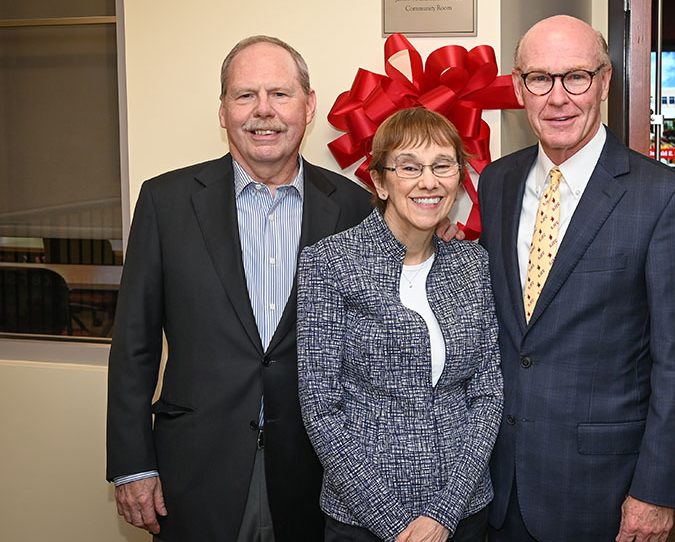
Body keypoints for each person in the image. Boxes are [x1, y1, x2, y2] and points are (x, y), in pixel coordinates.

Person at [106, 35, 372, 541]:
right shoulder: (166, 202)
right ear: (223, 110)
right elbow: (134, 346)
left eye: (280, 93)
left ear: (309, 105)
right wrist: (132, 464)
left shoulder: (354, 209)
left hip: (316, 471)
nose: (263, 111)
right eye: (245, 95)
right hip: (194, 467)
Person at [478, 15, 675, 542]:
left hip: (602, 487)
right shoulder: (497, 181)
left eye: (576, 77)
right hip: (494, 478)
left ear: (605, 82)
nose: (557, 97)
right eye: (539, 78)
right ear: (518, 87)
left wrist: (655, 490)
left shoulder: (664, 197)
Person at [297, 107, 503, 542]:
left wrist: (444, 514)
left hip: (464, 513)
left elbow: (486, 394)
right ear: (379, 181)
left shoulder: (472, 265)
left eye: (443, 166)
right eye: (408, 167)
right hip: (363, 520)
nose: (428, 182)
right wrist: (397, 525)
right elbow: (321, 407)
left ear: (459, 178)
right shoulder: (330, 263)